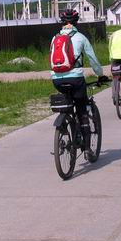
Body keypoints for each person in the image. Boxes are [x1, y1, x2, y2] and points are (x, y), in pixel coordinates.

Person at [51, 9, 107, 143]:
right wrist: (100, 75)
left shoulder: (55, 38)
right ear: (76, 22)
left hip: (57, 80)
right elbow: (92, 59)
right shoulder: (80, 37)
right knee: (82, 109)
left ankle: (65, 124)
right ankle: (87, 147)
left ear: (62, 23)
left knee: (68, 104)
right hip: (75, 79)